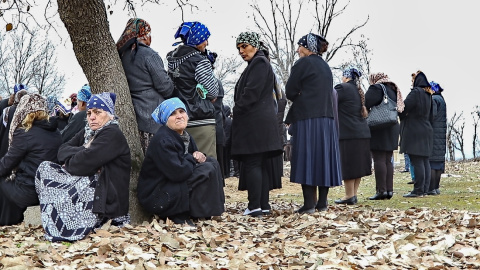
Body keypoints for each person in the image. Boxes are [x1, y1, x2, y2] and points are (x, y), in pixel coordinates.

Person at [35, 92, 131, 241]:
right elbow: (61, 150)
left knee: (86, 177)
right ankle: (59, 224)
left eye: (98, 112)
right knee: (45, 168)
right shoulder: (88, 131)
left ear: (110, 115)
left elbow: (79, 166)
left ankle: (69, 228)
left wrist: (79, 157)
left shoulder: (112, 133)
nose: (92, 117)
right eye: (89, 113)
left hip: (108, 204)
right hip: (95, 195)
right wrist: (84, 148)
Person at [137, 98, 224, 225]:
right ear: (166, 119)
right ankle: (177, 215)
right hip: (157, 194)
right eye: (172, 114)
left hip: (173, 183)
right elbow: (178, 172)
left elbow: (190, 159)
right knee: (205, 170)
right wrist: (193, 158)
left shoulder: (185, 136)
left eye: (181, 112)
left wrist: (199, 156)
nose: (179, 116)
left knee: (211, 162)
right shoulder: (163, 139)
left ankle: (205, 212)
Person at [285, 33, 342, 214]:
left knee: (307, 158)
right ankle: (322, 204)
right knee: (322, 159)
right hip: (327, 119)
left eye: (299, 46)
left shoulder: (303, 63)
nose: (297, 50)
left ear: (306, 47)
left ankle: (309, 204)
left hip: (307, 118)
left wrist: (300, 94)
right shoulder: (325, 66)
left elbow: (290, 91)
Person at [231, 32, 283, 217]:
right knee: (260, 164)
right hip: (260, 123)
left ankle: (254, 206)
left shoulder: (259, 63)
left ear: (254, 45)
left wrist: (236, 109)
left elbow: (251, 93)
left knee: (254, 163)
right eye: (238, 48)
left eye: (244, 46)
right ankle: (263, 205)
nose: (241, 51)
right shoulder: (259, 63)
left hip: (255, 123)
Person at [0, 94, 62, 225]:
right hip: (49, 190)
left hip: (29, 191)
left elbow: (6, 165)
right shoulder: (56, 132)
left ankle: (6, 222)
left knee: (2, 180)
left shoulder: (25, 133)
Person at [117, 18, 174, 154]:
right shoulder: (149, 55)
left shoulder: (122, 56)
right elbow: (166, 88)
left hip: (135, 116)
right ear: (145, 35)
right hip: (153, 119)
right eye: (149, 34)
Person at [167, 21, 219, 158]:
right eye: (204, 39)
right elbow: (213, 91)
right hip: (201, 121)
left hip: (180, 120)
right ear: (196, 40)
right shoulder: (199, 61)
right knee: (206, 165)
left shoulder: (172, 60)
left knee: (187, 163)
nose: (207, 43)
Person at [334, 67, 372, 205]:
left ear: (346, 77)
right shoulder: (358, 90)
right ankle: (353, 194)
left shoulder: (342, 88)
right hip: (362, 133)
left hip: (348, 133)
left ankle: (349, 195)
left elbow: (330, 100)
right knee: (358, 166)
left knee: (348, 165)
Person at [365, 72, 404, 200]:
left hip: (379, 127)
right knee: (388, 159)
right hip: (392, 126)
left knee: (378, 159)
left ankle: (381, 190)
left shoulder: (376, 88)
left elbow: (366, 103)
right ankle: (389, 190)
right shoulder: (393, 89)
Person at [401, 71, 434, 198]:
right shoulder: (428, 94)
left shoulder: (416, 92)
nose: (412, 83)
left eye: (412, 81)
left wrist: (403, 115)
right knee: (425, 160)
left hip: (415, 130)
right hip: (426, 128)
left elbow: (404, 107)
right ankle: (424, 189)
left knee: (416, 160)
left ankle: (418, 190)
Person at [427, 81, 447, 195]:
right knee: (438, 162)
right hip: (441, 134)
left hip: (434, 133)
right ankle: (436, 187)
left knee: (432, 162)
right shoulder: (442, 100)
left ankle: (431, 188)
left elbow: (432, 116)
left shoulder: (434, 100)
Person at [0, 89, 29, 159]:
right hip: (19, 148)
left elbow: (1, 128)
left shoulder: (7, 111)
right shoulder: (28, 113)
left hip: (5, 143)